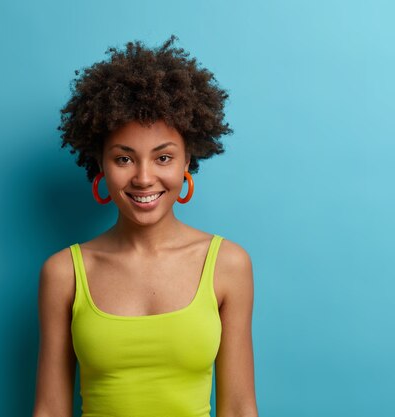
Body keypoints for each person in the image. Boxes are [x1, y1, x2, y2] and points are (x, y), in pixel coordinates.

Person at [33, 35, 258, 417]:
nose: (143, 178)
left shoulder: (228, 265)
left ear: (187, 160)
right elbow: (50, 410)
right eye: (124, 159)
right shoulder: (64, 273)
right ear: (100, 163)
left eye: (163, 157)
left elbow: (238, 407)